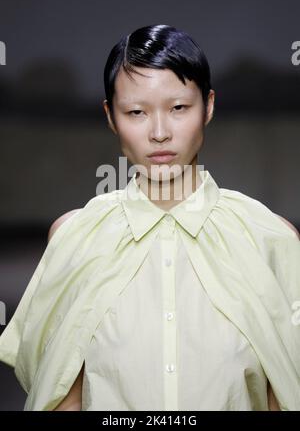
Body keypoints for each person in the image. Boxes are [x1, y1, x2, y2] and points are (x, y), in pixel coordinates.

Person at [0, 24, 300, 411]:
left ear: (208, 106)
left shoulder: (269, 237)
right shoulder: (76, 236)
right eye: (136, 112)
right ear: (111, 116)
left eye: (178, 108)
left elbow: (285, 391)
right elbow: (59, 394)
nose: (159, 132)